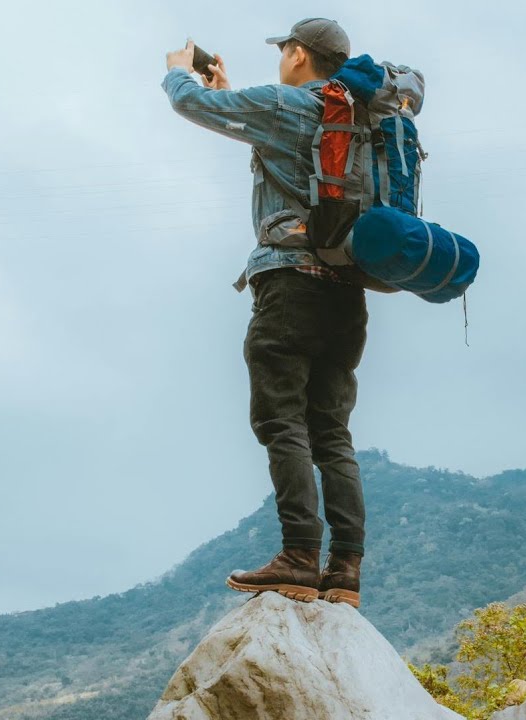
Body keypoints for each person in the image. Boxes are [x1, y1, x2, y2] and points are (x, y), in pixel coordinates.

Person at [161, 18, 369, 608]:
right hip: (347, 291)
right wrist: (230, 90)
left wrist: (180, 73)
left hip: (288, 285)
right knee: (332, 433)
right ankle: (344, 570)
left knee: (282, 422)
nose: (282, 60)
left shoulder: (287, 105)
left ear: (298, 54)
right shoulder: (360, 116)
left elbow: (193, 105)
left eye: (284, 51)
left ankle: (300, 557)